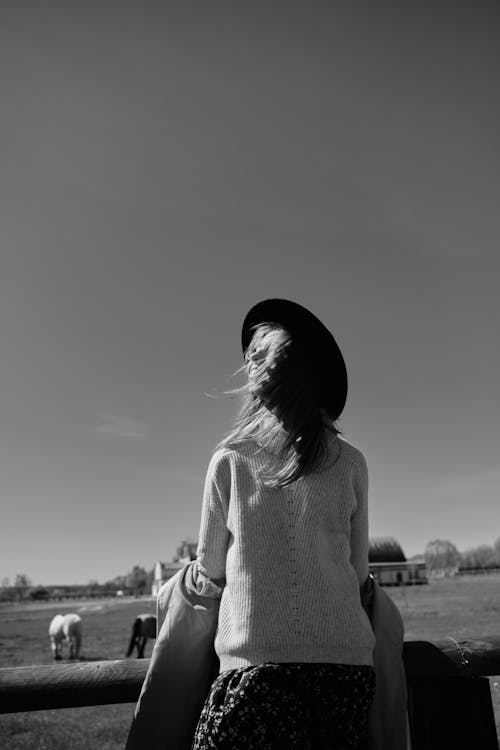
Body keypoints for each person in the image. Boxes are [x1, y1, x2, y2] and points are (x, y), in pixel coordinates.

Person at [191, 298, 376, 750]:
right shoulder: (351, 462)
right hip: (346, 678)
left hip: (256, 673)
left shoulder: (231, 459)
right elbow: (358, 571)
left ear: (258, 376)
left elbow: (209, 575)